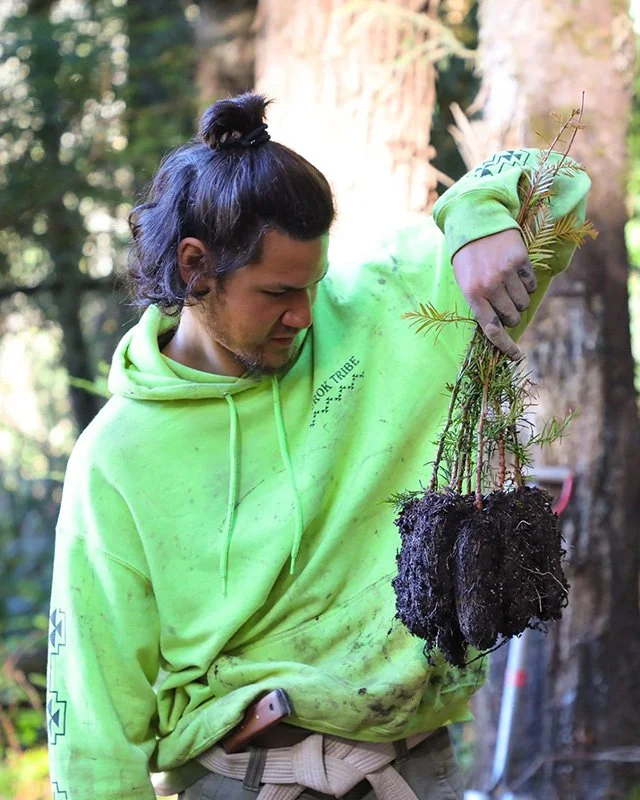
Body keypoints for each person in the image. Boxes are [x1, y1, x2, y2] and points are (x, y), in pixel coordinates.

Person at [46, 92, 590, 800]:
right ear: (195, 267)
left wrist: (479, 218)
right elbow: (93, 711)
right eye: (277, 292)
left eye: (312, 285)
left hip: (412, 771)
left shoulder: (384, 303)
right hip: (243, 779)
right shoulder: (118, 456)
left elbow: (557, 181)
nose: (303, 314)